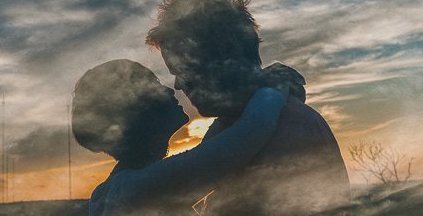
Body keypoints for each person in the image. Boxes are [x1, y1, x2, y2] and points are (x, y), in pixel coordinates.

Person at [146, 0, 351, 214]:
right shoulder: (232, 126)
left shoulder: (290, 129)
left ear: (227, 51)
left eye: (182, 69)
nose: (178, 84)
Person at [71, 59, 287, 215]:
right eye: (153, 86)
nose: (170, 90)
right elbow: (250, 132)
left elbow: (214, 150)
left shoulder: (122, 188)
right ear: (135, 110)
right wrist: (276, 88)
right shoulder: (135, 189)